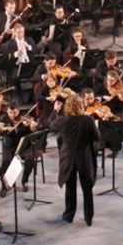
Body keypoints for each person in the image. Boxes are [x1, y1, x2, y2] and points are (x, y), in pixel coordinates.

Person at [50, 92, 99, 226]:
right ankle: (88, 217)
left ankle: (69, 215)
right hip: (84, 158)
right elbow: (97, 137)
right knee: (87, 188)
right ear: (80, 105)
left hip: (68, 158)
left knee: (70, 187)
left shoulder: (62, 120)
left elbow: (51, 125)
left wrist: (56, 111)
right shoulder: (88, 120)